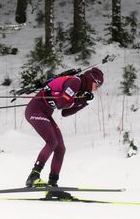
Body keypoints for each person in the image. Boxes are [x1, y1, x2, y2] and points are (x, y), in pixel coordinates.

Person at [24, 67, 104, 199]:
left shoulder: (80, 89)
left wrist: (84, 103)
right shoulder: (75, 82)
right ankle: (33, 176)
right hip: (35, 110)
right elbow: (62, 104)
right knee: (52, 142)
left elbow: (65, 113)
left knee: (60, 148)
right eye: (98, 84)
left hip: (45, 113)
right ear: (92, 80)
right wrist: (81, 100)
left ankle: (52, 185)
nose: (97, 88)